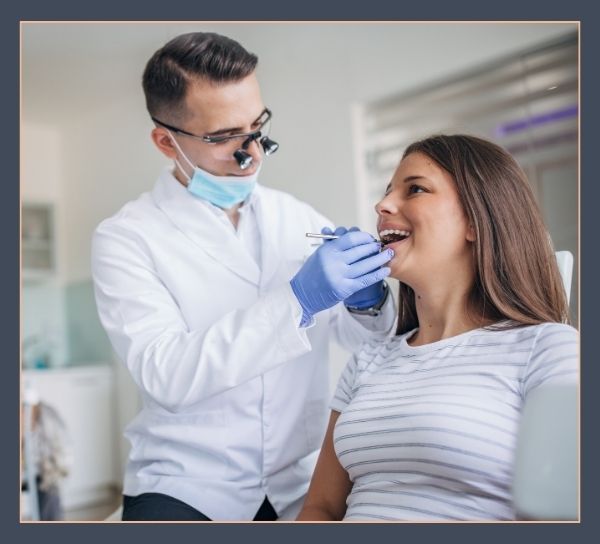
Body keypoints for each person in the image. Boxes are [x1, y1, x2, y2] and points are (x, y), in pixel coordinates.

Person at [91, 32, 397, 521]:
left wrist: (367, 302)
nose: (252, 151)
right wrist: (297, 300)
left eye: (257, 126)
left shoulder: (296, 216)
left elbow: (360, 336)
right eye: (223, 137)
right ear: (166, 141)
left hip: (296, 479)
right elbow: (165, 374)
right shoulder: (126, 238)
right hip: (187, 482)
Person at [297, 134, 579, 521]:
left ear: (476, 222)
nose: (382, 205)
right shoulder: (369, 360)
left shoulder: (547, 349)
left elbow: (562, 515)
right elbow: (321, 508)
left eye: (415, 189)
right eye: (386, 192)